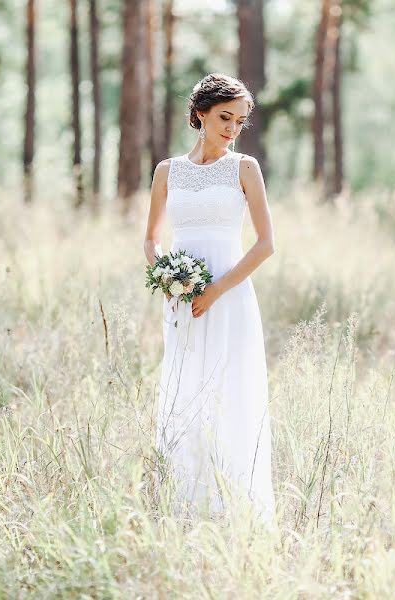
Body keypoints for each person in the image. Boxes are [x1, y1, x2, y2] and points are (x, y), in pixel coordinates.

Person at [142, 73, 276, 524]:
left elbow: (264, 245)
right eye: (224, 117)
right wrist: (167, 280)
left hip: (229, 298)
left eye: (240, 121)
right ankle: (184, 505)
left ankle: (232, 508)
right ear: (200, 113)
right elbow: (151, 241)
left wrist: (215, 290)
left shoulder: (245, 168)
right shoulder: (167, 171)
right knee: (185, 393)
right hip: (181, 303)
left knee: (230, 393)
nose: (232, 129)